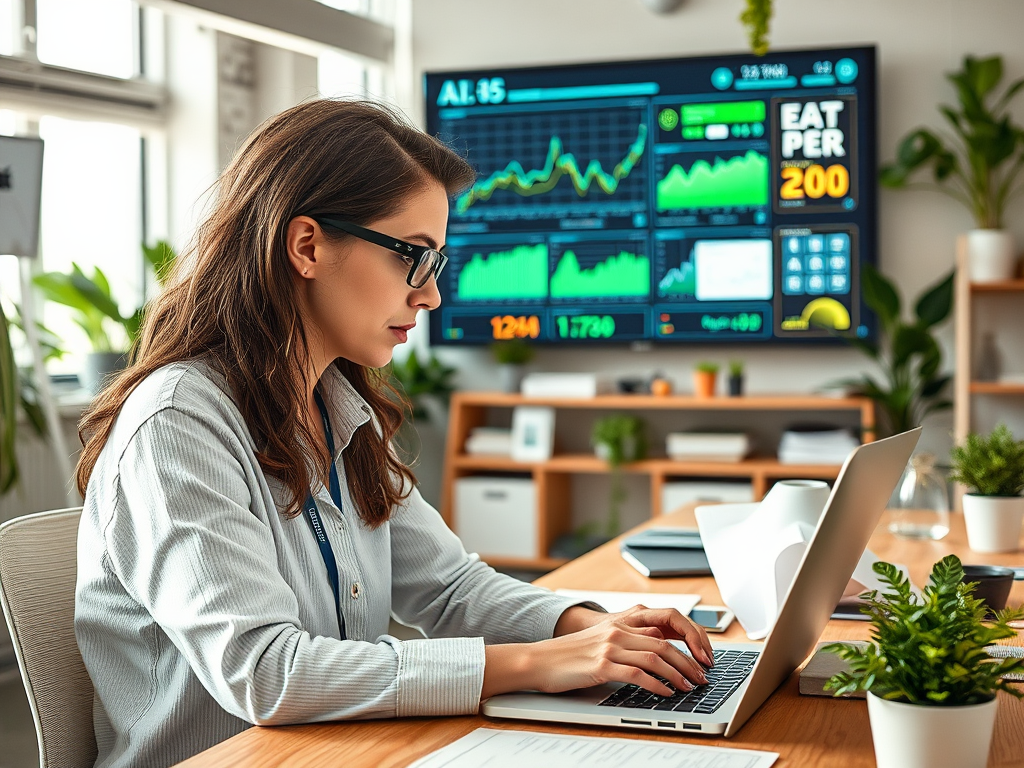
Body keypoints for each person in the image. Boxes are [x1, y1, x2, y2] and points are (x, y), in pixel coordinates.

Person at [73, 99, 713, 768]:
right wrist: (537, 663)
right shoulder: (178, 423)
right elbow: (265, 672)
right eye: (414, 257)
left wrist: (591, 629)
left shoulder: (336, 409)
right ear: (308, 245)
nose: (431, 296)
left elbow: (448, 588)